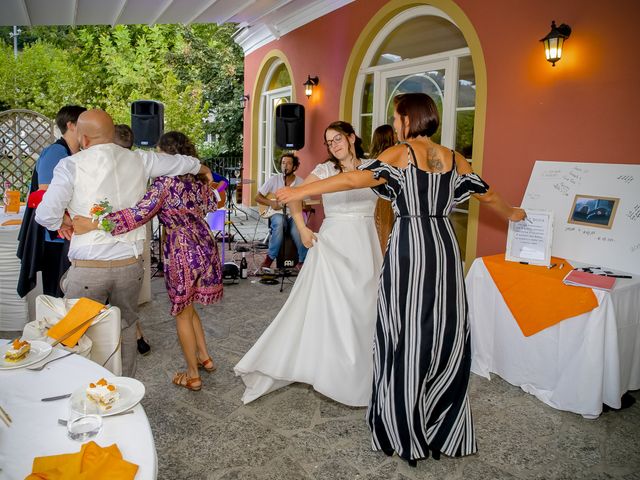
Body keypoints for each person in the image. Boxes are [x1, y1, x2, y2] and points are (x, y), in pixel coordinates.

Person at [276, 93, 526, 466]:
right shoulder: (456, 158)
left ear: (409, 119)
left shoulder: (402, 154)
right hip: (443, 247)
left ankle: (403, 425)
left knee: (403, 330)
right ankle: (443, 425)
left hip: (411, 245)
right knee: (443, 331)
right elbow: (488, 196)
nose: (394, 124)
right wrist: (514, 214)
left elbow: (351, 181)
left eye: (396, 117)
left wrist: (300, 190)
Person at [35, 109, 212, 377]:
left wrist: (63, 223)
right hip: (129, 264)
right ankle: (123, 386)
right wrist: (201, 167)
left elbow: (46, 213)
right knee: (127, 327)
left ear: (83, 138)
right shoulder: (140, 159)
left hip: (89, 265)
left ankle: (82, 385)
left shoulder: (71, 165)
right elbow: (180, 163)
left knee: (77, 329)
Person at [234, 121, 382, 406]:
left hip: (365, 242)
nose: (334, 145)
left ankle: (362, 372)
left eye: (338, 138)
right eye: (329, 142)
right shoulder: (324, 171)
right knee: (335, 308)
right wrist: (302, 229)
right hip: (333, 243)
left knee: (364, 307)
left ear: (352, 138)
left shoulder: (373, 165)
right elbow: (293, 197)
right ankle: (331, 370)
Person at [73, 131, 223, 391]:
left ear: (168, 156)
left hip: (181, 250)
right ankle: (204, 358)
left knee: (181, 314)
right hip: (205, 246)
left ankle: (192, 375)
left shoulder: (164, 185)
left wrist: (95, 223)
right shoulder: (198, 184)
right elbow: (214, 202)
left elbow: (137, 215)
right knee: (190, 308)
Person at [17, 105, 86, 297]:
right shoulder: (56, 152)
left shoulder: (74, 154)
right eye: (84, 123)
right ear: (71, 125)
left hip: (68, 233)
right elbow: (44, 195)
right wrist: (64, 222)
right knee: (57, 291)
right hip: (54, 236)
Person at [112, 123, 151, 356]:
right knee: (126, 297)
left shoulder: (104, 164)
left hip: (111, 234)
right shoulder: (139, 162)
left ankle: (123, 340)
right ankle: (137, 336)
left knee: (117, 295)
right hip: (135, 236)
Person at [255, 153, 308, 271]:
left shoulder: (301, 182)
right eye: (283, 163)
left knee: (298, 230)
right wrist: (271, 203)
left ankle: (302, 261)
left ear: (295, 167)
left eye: (289, 163)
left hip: (295, 214)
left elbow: (308, 205)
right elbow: (257, 197)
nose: (285, 166)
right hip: (276, 213)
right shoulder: (274, 179)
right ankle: (269, 259)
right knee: (278, 222)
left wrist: (303, 205)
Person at [369, 124, 396, 254]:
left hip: (379, 200)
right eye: (394, 134)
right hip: (384, 200)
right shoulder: (388, 159)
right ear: (388, 138)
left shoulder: (372, 159)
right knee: (384, 235)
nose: (396, 136)